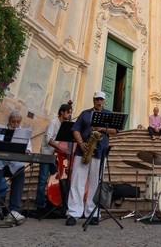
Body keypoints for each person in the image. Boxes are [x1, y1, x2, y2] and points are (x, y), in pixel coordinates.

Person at [65, 91, 118, 226]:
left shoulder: (108, 114)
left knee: (96, 183)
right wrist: (81, 142)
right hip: (83, 151)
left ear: (104, 101)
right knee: (77, 182)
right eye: (97, 99)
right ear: (93, 100)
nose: (99, 102)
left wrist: (103, 129)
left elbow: (115, 131)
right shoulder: (85, 113)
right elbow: (75, 130)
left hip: (100, 152)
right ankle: (73, 213)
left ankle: (93, 212)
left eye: (101, 100)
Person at [35, 103, 72, 212]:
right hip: (47, 154)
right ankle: (40, 206)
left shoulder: (64, 124)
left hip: (56, 155)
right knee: (42, 180)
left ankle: (54, 203)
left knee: (56, 179)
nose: (70, 115)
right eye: (68, 112)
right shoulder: (53, 122)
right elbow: (49, 139)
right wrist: (61, 148)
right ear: (62, 112)